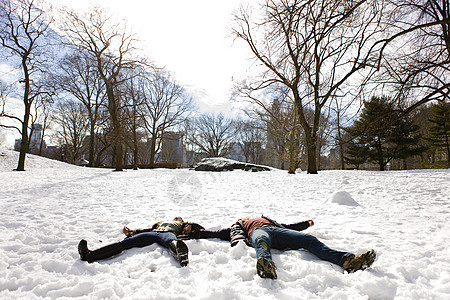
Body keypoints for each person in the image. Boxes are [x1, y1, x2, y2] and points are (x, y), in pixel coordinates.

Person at [203, 216, 376, 279]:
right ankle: (266, 266)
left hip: (278, 231)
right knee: (261, 243)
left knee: (308, 239)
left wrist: (305, 224)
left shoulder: (267, 219)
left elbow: (290, 226)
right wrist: (194, 232)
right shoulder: (239, 225)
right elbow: (215, 232)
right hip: (258, 232)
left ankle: (347, 260)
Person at [77, 217, 205, 267]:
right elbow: (146, 230)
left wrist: (189, 228)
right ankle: (89, 255)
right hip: (154, 233)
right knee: (128, 242)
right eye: (175, 217)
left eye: (179, 218)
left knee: (171, 241)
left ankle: (181, 254)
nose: (177, 218)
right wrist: (131, 232)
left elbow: (199, 228)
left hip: (168, 234)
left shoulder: (183, 224)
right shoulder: (160, 223)